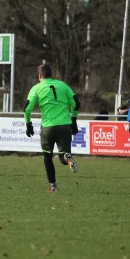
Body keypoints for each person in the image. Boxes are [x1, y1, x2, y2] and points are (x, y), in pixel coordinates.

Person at [24, 63, 80, 193]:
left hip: (48, 128)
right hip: (65, 126)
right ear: (51, 74)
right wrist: (74, 120)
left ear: (39, 76)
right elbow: (76, 103)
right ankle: (68, 158)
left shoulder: (36, 88)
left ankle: (53, 187)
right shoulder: (63, 85)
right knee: (62, 157)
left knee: (47, 157)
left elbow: (26, 109)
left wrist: (28, 124)